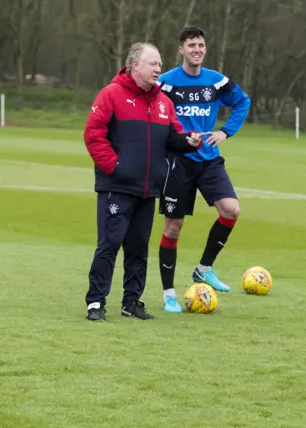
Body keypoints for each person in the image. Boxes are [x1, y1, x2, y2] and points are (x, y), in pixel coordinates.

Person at [84, 42, 202, 322]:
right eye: (154, 64)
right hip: (116, 187)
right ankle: (95, 302)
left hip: (148, 190)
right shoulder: (110, 95)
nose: (159, 69)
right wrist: (115, 166)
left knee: (138, 248)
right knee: (109, 245)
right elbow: (93, 135)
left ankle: (132, 301)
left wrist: (189, 142)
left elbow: (174, 136)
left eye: (160, 64)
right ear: (135, 65)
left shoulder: (164, 103)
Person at [155, 26, 251, 313]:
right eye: (191, 45)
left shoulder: (216, 81)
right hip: (178, 162)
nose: (197, 49)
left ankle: (204, 268)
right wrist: (173, 138)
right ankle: (169, 293)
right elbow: (151, 109)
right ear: (181, 50)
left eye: (201, 45)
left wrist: (225, 131)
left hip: (209, 160)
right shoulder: (167, 83)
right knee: (173, 227)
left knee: (231, 210)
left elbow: (242, 102)